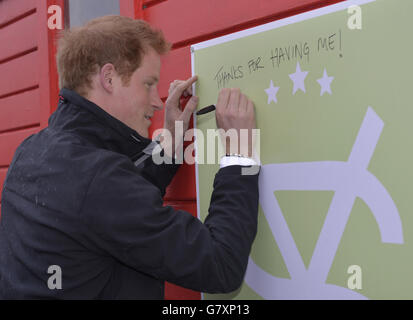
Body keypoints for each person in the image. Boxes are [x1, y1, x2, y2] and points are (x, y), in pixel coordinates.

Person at [0, 15, 259, 299]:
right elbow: (220, 264)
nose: (156, 101)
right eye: (148, 84)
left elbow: (109, 209)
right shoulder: (97, 178)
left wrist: (169, 149)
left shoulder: (33, 150)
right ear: (109, 78)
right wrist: (238, 158)